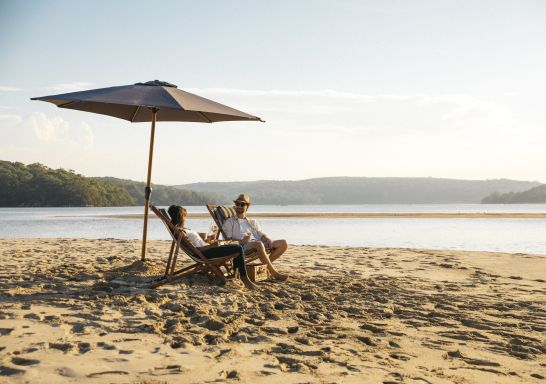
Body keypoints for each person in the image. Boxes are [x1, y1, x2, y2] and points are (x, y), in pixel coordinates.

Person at [167, 205, 258, 290]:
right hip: (205, 253)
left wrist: (209, 241)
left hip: (206, 249)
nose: (185, 218)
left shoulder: (182, 229)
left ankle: (238, 275)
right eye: (184, 216)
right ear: (180, 217)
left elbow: (198, 244)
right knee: (238, 248)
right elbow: (196, 249)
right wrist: (211, 246)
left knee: (235, 247)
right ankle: (245, 279)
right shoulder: (180, 232)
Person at [222, 194, 288, 281]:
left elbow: (261, 235)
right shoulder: (230, 222)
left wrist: (267, 239)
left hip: (256, 243)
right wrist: (241, 240)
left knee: (283, 243)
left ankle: (265, 268)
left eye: (242, 204)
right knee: (259, 244)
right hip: (241, 246)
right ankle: (274, 273)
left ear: (247, 207)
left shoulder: (252, 222)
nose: (239, 206)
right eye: (237, 204)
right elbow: (227, 241)